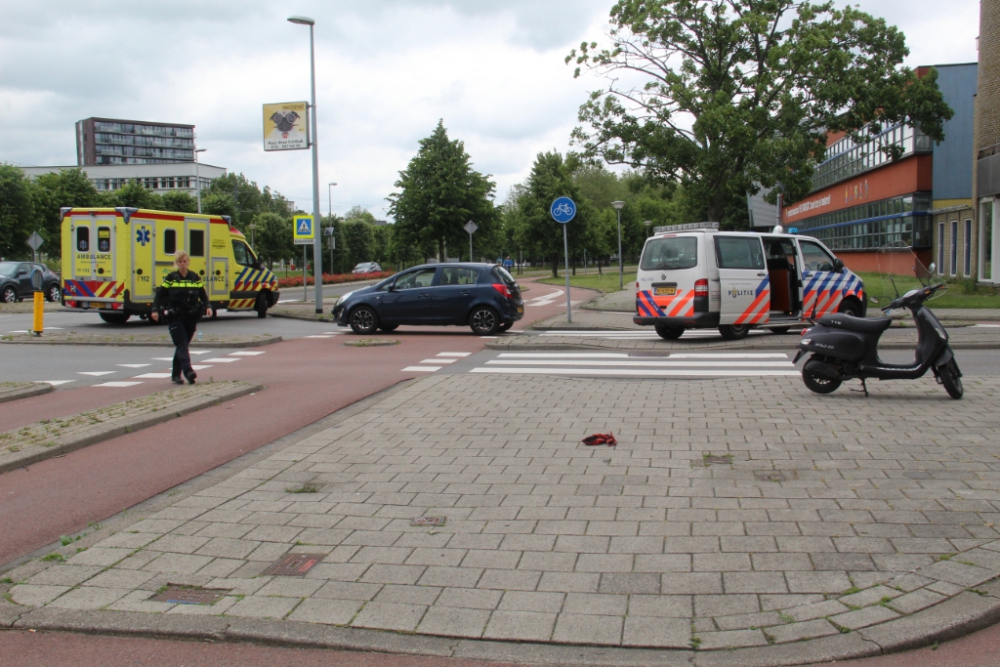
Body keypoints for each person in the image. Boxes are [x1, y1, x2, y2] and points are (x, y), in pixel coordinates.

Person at [151, 251, 211, 384]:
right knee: (182, 343)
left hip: (191, 317)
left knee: (182, 345)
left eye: (185, 261)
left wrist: (208, 306)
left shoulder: (194, 278)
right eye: (180, 262)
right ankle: (188, 371)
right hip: (175, 317)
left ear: (188, 262)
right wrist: (155, 310)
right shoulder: (171, 278)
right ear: (177, 263)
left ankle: (175, 375)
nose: (183, 264)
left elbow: (203, 294)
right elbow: (160, 295)